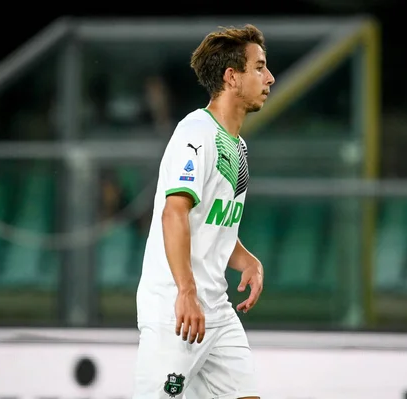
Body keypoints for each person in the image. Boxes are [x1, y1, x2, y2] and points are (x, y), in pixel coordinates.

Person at [133, 24, 275, 399]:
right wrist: (185, 291)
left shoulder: (238, 145)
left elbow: (215, 224)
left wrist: (247, 261)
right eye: (259, 67)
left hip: (216, 310)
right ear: (232, 77)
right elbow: (173, 213)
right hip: (176, 313)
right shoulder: (195, 133)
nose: (270, 78)